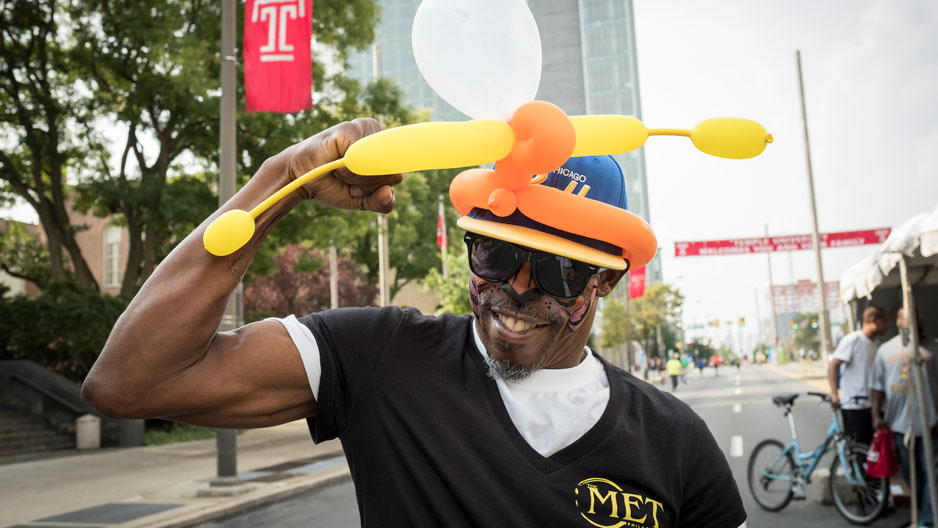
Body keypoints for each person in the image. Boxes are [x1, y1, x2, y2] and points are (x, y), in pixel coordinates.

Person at [81, 120, 746, 527]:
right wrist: (280, 179)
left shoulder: (677, 443)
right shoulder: (380, 358)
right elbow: (130, 383)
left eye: (558, 271)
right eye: (497, 253)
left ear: (604, 280)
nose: (515, 289)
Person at [871, 308, 937, 527]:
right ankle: (925, 511)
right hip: (899, 425)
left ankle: (927, 520)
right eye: (907, 316)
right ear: (898, 321)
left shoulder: (932, 348)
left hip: (931, 425)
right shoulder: (886, 351)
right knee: (912, 476)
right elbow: (877, 387)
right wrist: (876, 415)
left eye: (916, 315)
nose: (913, 320)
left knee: (932, 474)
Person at [828, 305, 888, 447]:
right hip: (855, 407)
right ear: (873, 320)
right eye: (884, 321)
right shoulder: (853, 340)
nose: (887, 326)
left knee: (874, 449)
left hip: (873, 406)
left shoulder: (877, 345)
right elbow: (833, 365)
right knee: (858, 450)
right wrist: (834, 394)